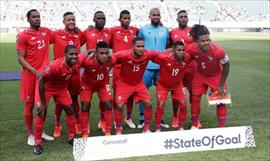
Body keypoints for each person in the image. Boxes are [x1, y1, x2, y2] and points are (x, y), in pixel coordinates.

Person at [33, 45, 83, 155]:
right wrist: (42, 102)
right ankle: (37, 143)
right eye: (71, 54)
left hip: (61, 89)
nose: (74, 56)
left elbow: (86, 53)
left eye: (76, 54)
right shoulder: (54, 66)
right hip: (46, 88)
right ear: (65, 55)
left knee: (70, 109)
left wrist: (92, 51)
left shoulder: (77, 62)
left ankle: (71, 138)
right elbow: (41, 82)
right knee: (41, 112)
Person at [16, 9, 53, 146]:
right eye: (34, 17)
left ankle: (39, 131)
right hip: (29, 76)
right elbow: (20, 58)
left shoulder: (46, 31)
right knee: (29, 104)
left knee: (42, 104)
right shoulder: (23, 35)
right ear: (28, 19)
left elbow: (62, 36)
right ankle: (30, 134)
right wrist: (34, 70)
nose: (37, 19)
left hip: (43, 76)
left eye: (38, 17)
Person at [112, 37, 159, 134]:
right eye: (138, 46)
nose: (141, 48)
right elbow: (112, 57)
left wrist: (169, 52)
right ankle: (118, 130)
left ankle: (146, 128)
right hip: (124, 84)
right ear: (133, 47)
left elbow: (159, 54)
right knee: (119, 106)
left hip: (138, 84)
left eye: (142, 46)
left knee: (148, 104)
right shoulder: (124, 55)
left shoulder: (147, 54)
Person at [187, 24, 230, 129]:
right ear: (196, 41)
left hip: (216, 76)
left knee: (220, 100)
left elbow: (226, 67)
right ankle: (194, 125)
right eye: (203, 41)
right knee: (195, 98)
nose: (206, 43)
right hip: (200, 75)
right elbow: (186, 60)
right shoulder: (191, 49)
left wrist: (220, 85)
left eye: (208, 40)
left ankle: (221, 128)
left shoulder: (218, 51)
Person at [50, 11, 85, 137]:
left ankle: (77, 122)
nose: (71, 22)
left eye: (73, 20)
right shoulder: (56, 34)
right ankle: (58, 124)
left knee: (75, 98)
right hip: (59, 74)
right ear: (63, 21)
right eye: (69, 20)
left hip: (75, 73)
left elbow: (82, 43)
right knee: (59, 102)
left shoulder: (78, 34)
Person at [137, 8, 170, 129]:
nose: (156, 16)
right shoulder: (143, 29)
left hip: (161, 67)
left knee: (161, 94)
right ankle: (141, 119)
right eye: (154, 15)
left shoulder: (165, 30)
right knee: (142, 92)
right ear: (149, 16)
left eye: (158, 15)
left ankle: (160, 119)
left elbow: (167, 45)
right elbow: (138, 44)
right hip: (146, 66)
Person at [169, 10, 200, 129]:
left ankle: (195, 118)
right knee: (176, 93)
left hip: (192, 67)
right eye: (181, 17)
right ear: (177, 19)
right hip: (177, 67)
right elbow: (169, 48)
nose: (183, 18)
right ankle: (175, 116)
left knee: (194, 93)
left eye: (185, 17)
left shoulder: (193, 32)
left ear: (188, 18)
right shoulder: (172, 32)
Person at [83, 11, 112, 131]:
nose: (101, 20)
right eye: (99, 18)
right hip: (89, 73)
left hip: (103, 73)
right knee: (85, 104)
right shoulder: (87, 32)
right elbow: (74, 45)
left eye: (103, 18)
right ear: (94, 20)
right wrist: (89, 52)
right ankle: (85, 126)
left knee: (105, 102)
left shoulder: (109, 32)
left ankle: (103, 121)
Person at [110, 10, 138, 129]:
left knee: (131, 93)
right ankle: (117, 118)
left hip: (131, 67)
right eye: (124, 18)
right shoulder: (113, 30)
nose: (126, 20)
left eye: (128, 18)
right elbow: (110, 44)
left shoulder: (135, 30)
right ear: (119, 19)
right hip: (117, 67)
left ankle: (128, 117)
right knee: (117, 93)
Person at [153, 41, 189, 132]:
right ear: (173, 50)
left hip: (177, 85)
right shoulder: (164, 57)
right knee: (160, 104)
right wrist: (164, 51)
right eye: (178, 50)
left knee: (183, 104)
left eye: (183, 50)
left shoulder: (187, 58)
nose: (181, 52)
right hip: (163, 85)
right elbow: (151, 56)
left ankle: (180, 127)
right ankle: (157, 128)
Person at [80, 41, 113, 138]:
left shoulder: (112, 60)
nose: (104, 56)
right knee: (85, 106)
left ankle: (106, 129)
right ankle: (85, 131)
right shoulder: (88, 61)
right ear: (96, 53)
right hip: (87, 85)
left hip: (103, 84)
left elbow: (122, 56)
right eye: (101, 53)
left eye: (106, 53)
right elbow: (76, 61)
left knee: (108, 103)